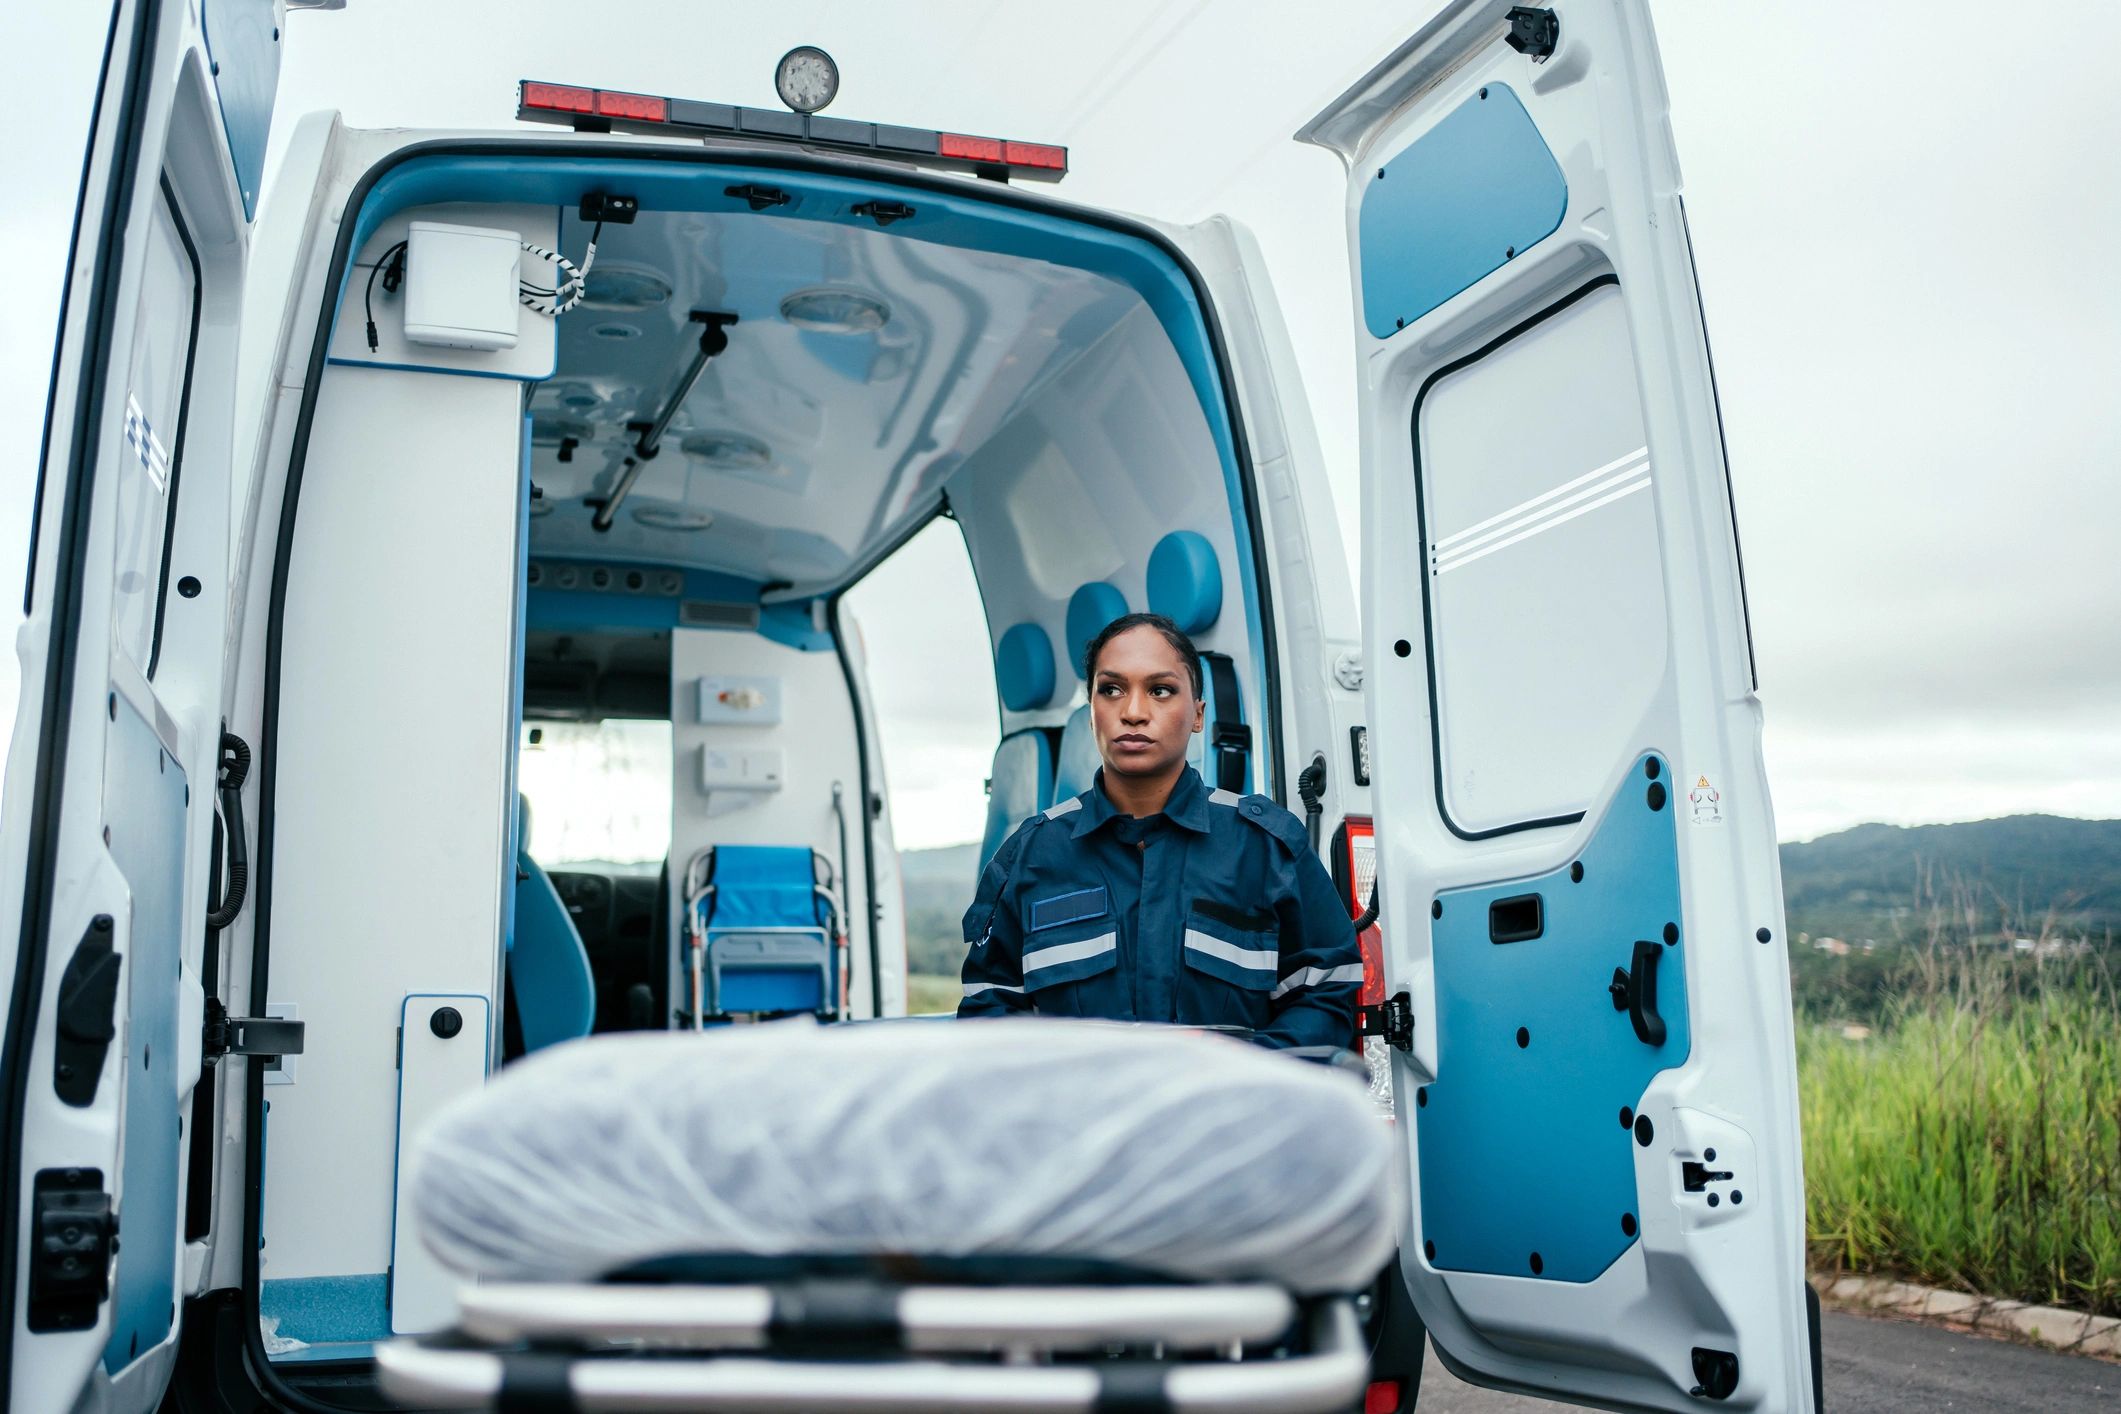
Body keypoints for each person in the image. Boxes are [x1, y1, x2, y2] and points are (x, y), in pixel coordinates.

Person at [959, 613, 1363, 1048]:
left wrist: (1241, 1072)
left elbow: (1326, 998)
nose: (1133, 713)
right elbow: (989, 1016)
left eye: (1160, 690)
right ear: (1091, 713)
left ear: (1197, 714)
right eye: (1111, 690)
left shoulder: (1268, 848)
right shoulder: (1031, 856)